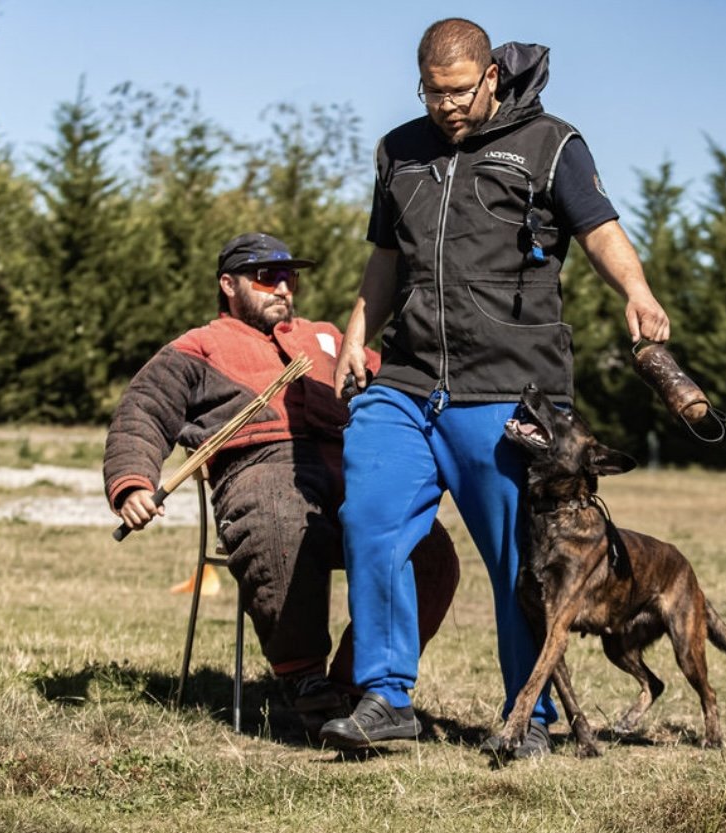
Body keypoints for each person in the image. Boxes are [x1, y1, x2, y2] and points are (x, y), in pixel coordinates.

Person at [320, 19, 670, 758]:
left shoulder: (551, 144)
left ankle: (530, 716)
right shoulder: (400, 150)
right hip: (408, 378)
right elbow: (386, 256)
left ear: (489, 77)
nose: (445, 106)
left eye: (458, 91)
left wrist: (635, 292)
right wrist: (357, 330)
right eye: (432, 91)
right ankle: (384, 697)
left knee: (525, 562)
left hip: (512, 395)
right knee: (371, 517)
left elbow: (600, 226)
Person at [103, 232, 460, 735]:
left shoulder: (332, 338)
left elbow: (399, 383)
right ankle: (305, 680)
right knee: (277, 512)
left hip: (350, 467)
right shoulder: (199, 346)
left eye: (289, 278)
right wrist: (133, 483)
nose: (282, 288)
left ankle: (363, 688)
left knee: (432, 551)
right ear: (228, 284)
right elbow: (142, 410)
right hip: (258, 467)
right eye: (266, 277)